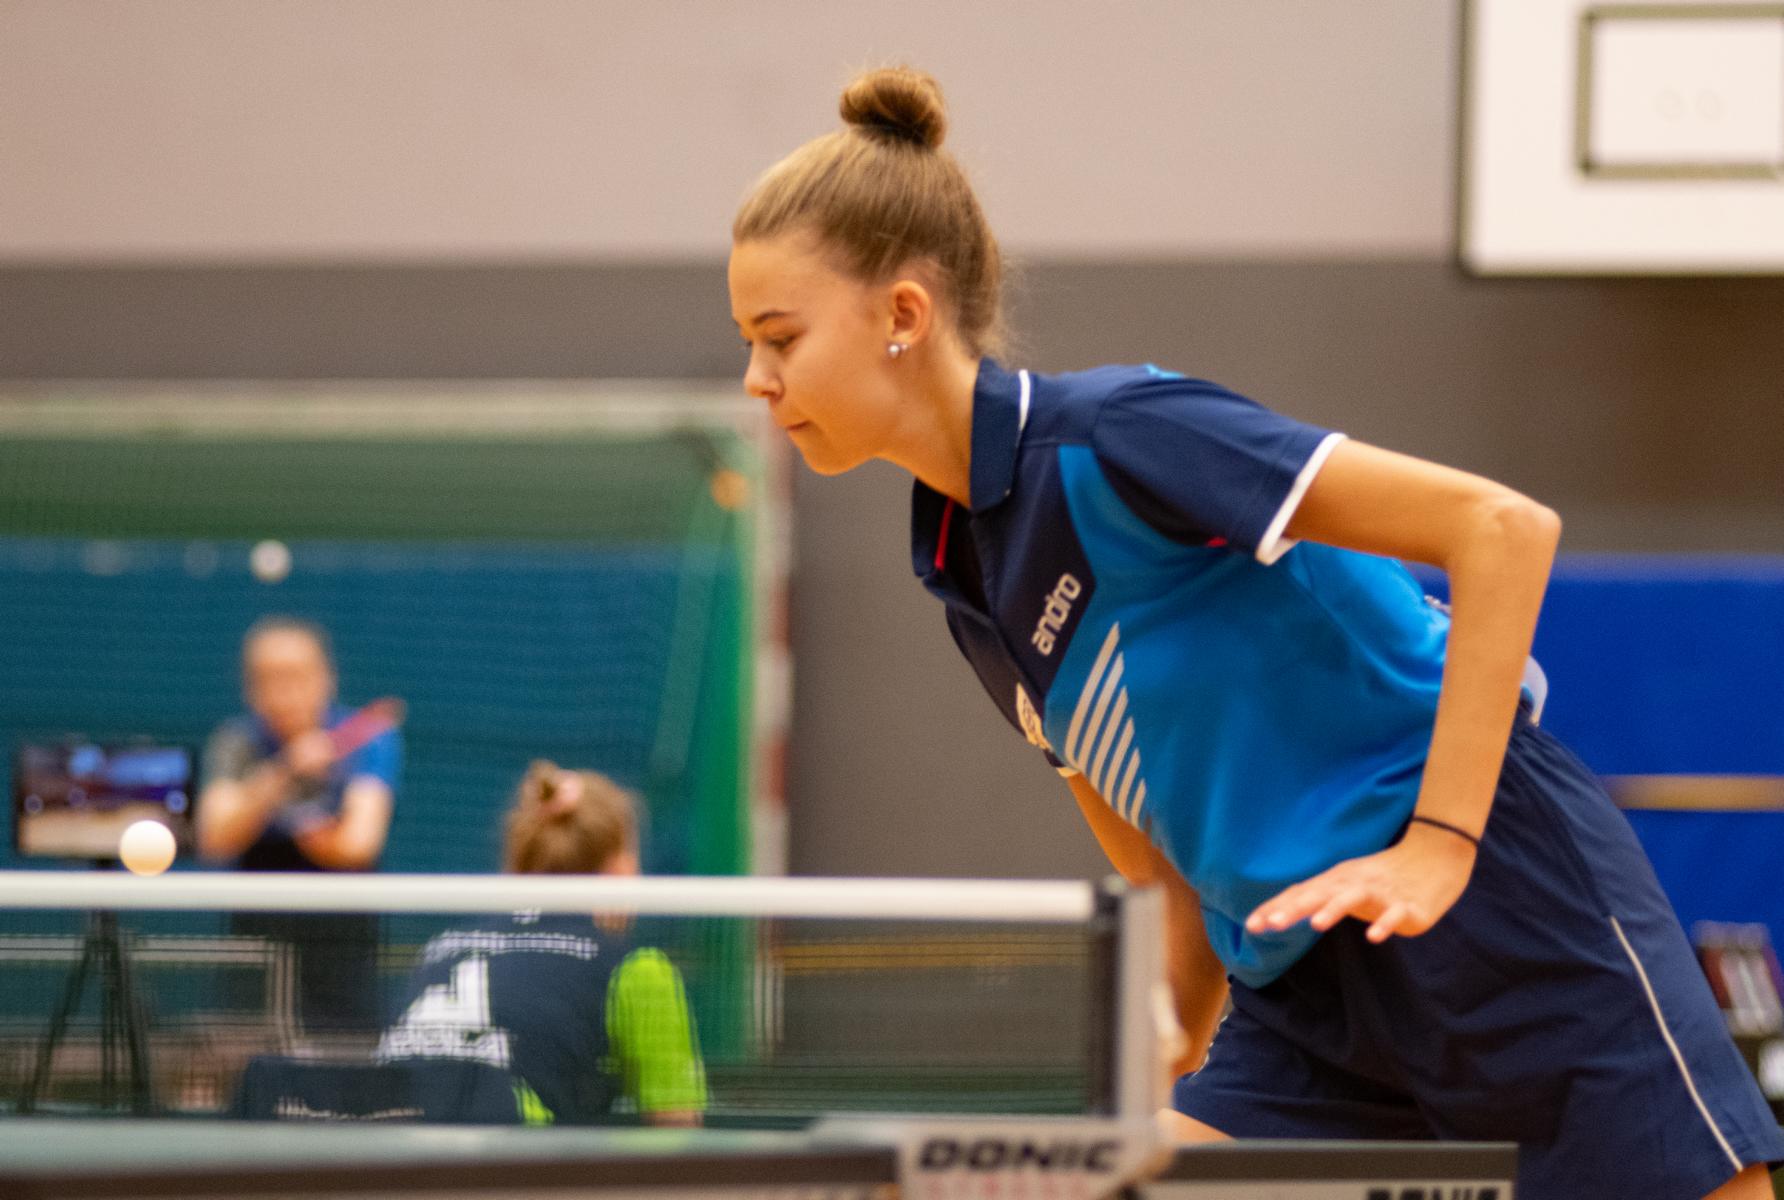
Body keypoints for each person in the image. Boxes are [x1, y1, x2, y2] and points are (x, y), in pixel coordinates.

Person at [725, 66, 1783, 1199]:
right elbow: (1162, 848)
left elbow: (1500, 529)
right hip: (1299, 973)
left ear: (902, 314)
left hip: (1487, 895)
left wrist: (1439, 843)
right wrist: (1173, 1029)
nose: (755, 380)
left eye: (779, 338)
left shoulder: (1116, 435)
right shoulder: (962, 576)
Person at [376, 762, 707, 1126]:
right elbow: (677, 1135)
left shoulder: (440, 950)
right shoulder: (639, 970)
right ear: (621, 869)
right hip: (517, 1158)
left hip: (384, 1153)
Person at [198, 616, 401, 1031]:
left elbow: (358, 846)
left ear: (326, 678)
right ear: (249, 688)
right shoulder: (237, 742)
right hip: (256, 942)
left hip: (340, 943)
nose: (282, 692)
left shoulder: (371, 741)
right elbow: (214, 837)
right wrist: (283, 773)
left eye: (295, 676)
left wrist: (303, 821)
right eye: (266, 679)